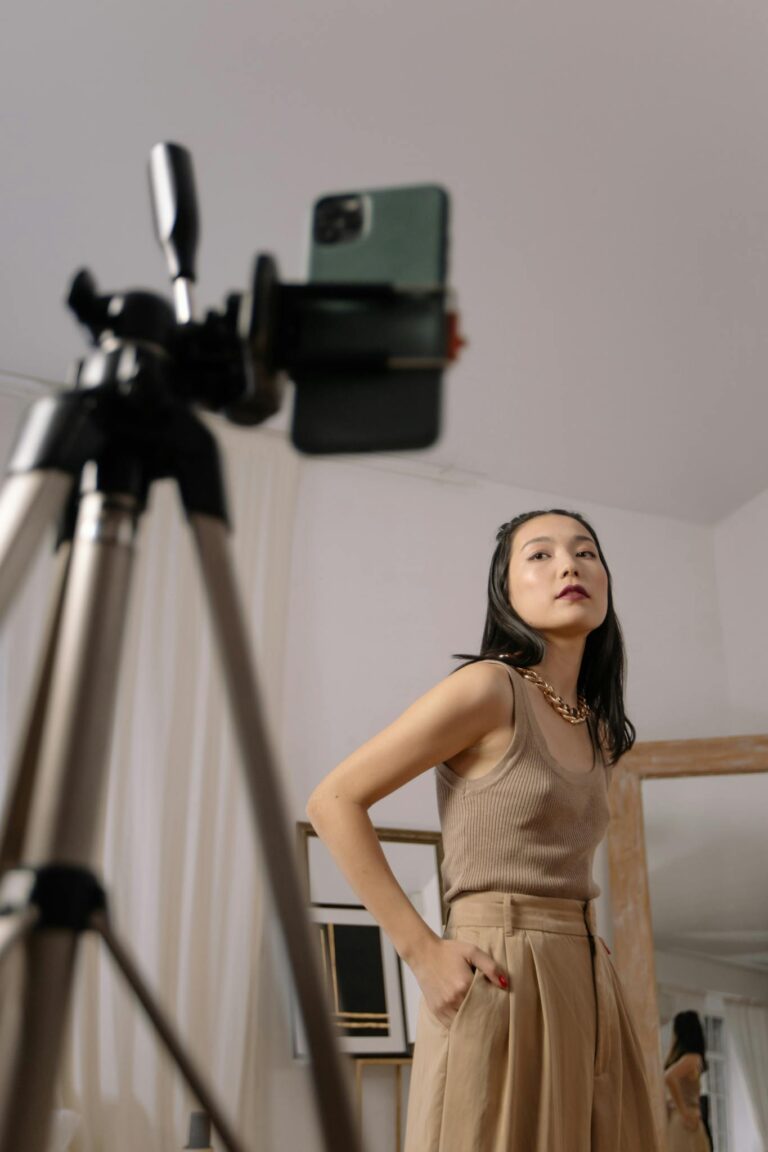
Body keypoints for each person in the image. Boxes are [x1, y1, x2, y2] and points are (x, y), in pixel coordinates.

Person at [307, 510, 661, 1151]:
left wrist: (580, 944)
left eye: (585, 552)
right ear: (506, 589)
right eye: (540, 554)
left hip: (587, 978)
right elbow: (334, 801)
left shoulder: (596, 726)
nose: (569, 565)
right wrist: (421, 952)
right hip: (500, 969)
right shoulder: (489, 688)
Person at [664, 1011, 711, 1151]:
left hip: (681, 1120)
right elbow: (668, 1077)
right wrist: (683, 1110)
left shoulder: (689, 1059)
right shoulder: (693, 1058)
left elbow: (669, 1077)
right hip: (687, 1120)